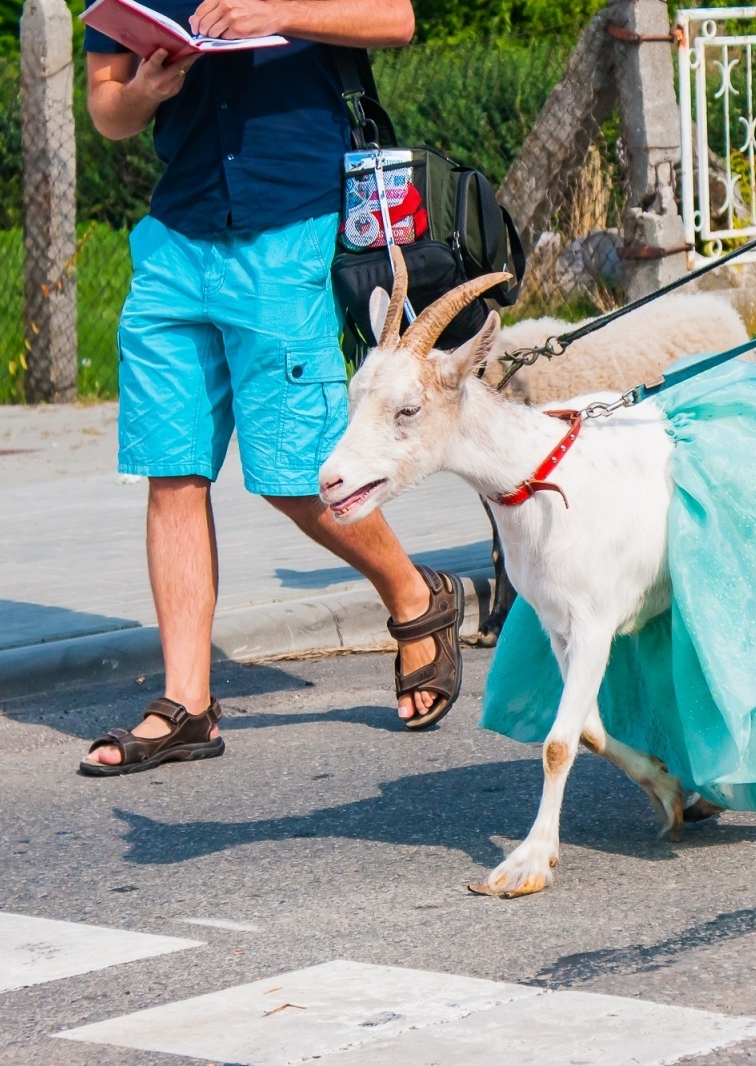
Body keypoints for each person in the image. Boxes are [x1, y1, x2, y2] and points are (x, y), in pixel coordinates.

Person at [78, 0, 465, 776]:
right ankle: (187, 703)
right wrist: (147, 90)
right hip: (175, 239)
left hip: (289, 227)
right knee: (171, 469)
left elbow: (398, 19)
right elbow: (107, 108)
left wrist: (277, 12)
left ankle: (417, 595)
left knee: (297, 476)